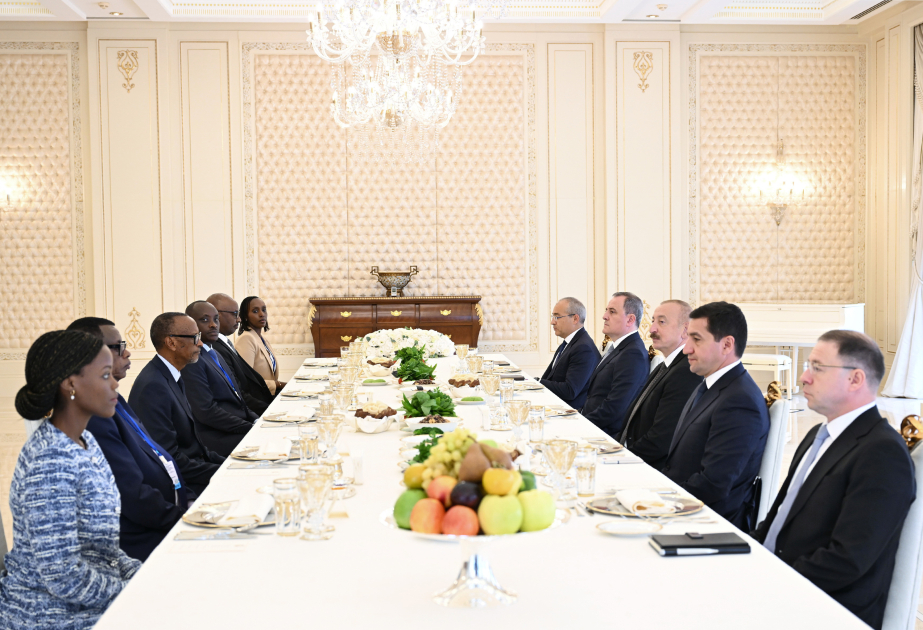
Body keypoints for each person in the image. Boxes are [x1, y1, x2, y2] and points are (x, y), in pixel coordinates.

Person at [752, 331, 914, 630]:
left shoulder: (881, 453)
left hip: (824, 609)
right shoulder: (817, 435)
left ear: (855, 379)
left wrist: (769, 581)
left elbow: (847, 560)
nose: (804, 378)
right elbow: (776, 523)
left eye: (817, 367)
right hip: (779, 583)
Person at [0, 330, 141, 629]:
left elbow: (103, 551)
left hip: (86, 602)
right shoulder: (50, 461)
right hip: (51, 615)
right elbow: (63, 577)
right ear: (71, 383)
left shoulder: (84, 440)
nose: (115, 383)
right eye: (105, 375)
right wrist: (133, 592)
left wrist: (140, 574)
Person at [67, 317, 190, 561]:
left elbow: (155, 456)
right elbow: (131, 496)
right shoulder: (93, 417)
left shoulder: (115, 400)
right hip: (137, 541)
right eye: (119, 347)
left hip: (163, 516)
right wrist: (184, 520)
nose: (128, 352)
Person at [661, 301, 769, 530]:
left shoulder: (740, 401)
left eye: (697, 339)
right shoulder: (711, 385)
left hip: (706, 524)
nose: (686, 349)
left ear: (727, 344)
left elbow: (713, 485)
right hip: (683, 508)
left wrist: (656, 501)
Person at [129, 313, 225, 495]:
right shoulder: (153, 386)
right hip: (182, 485)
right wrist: (224, 472)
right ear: (171, 343)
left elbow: (195, 448)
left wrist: (229, 464)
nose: (200, 343)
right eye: (195, 337)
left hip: (195, 469)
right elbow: (169, 458)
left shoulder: (170, 374)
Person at [618, 300, 703, 468]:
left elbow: (661, 440)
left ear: (685, 330)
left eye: (661, 322)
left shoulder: (686, 372)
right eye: (653, 321)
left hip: (651, 468)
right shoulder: (665, 366)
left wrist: (620, 458)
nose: (652, 329)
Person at [182, 301, 258, 456]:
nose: (213, 325)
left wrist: (256, 420)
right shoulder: (193, 361)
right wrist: (249, 427)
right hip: (218, 437)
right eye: (205, 320)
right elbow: (206, 411)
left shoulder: (215, 354)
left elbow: (239, 399)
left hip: (237, 427)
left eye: (216, 319)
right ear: (190, 325)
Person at [580, 292, 649, 438]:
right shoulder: (620, 348)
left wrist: (580, 424)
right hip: (593, 424)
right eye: (606, 310)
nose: (604, 316)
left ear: (630, 319)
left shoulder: (633, 354)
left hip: (604, 435)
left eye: (612, 312)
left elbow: (615, 407)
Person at [206, 292, 274, 414]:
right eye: (235, 314)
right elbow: (238, 392)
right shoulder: (216, 349)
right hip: (249, 412)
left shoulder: (226, 343)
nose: (238, 319)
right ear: (217, 315)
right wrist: (269, 410)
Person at [538, 297, 600, 408]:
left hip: (568, 411)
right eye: (553, 317)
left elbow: (570, 390)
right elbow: (548, 378)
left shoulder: (583, 348)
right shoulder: (569, 343)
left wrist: (538, 382)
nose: (552, 322)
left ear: (575, 319)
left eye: (557, 317)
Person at [235, 296, 285, 395]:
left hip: (269, 395)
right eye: (255, 311)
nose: (262, 314)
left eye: (264, 310)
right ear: (245, 316)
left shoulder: (263, 339)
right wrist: (279, 384)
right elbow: (247, 380)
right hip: (258, 399)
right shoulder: (246, 339)